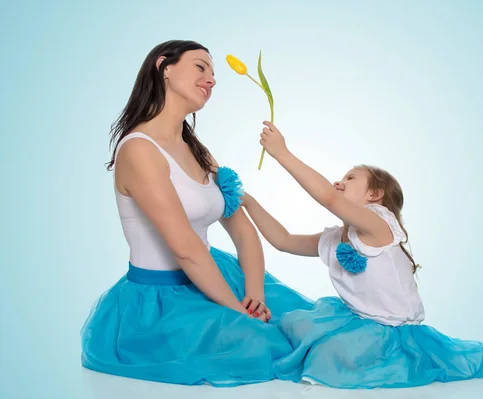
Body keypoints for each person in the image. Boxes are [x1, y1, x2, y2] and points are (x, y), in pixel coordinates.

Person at [80, 40, 313, 387]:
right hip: (162, 303)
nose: (212, 79)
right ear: (165, 68)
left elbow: (243, 231)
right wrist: (239, 314)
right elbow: (185, 248)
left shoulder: (196, 148)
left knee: (303, 327)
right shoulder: (139, 150)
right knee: (264, 348)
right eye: (201, 67)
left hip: (216, 275)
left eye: (214, 73)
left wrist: (254, 295)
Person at [240, 121, 483, 389]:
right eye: (340, 178)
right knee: (294, 322)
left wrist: (282, 153)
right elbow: (283, 240)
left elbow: (329, 197)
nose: (339, 182)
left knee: (331, 353)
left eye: (350, 178)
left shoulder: (378, 225)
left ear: (375, 196)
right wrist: (248, 202)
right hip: (356, 319)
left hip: (391, 331)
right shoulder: (335, 237)